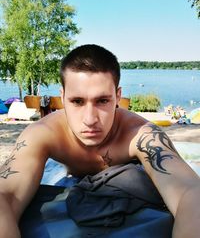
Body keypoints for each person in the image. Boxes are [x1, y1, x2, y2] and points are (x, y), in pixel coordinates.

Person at [0, 44, 199, 238]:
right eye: (77, 101)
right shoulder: (42, 133)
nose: (90, 119)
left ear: (118, 96)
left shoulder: (142, 135)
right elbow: (6, 195)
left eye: (102, 101)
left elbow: (189, 192)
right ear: (62, 97)